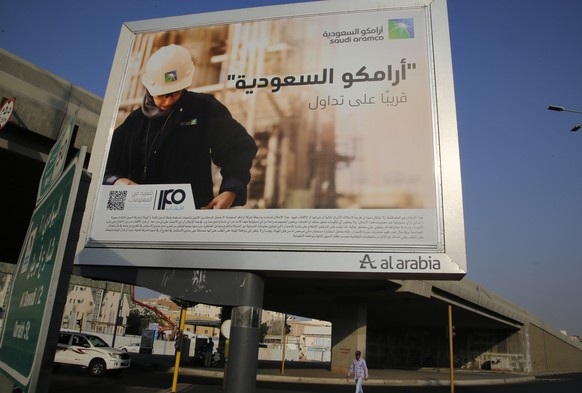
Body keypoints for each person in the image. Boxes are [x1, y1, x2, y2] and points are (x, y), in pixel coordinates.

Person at [103, 44, 258, 209]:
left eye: (175, 93)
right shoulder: (135, 123)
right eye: (162, 95)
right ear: (149, 88)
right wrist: (118, 182)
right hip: (141, 218)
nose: (168, 101)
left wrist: (231, 190)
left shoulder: (204, 109)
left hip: (191, 217)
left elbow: (240, 148)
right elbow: (106, 164)